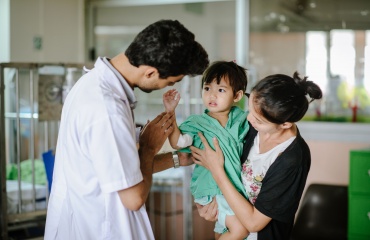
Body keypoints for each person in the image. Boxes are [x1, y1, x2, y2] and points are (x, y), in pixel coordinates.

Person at [44, 19, 209, 240]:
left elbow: (126, 171)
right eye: (170, 82)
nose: (170, 87)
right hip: (97, 229)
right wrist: (149, 147)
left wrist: (178, 159)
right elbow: (133, 198)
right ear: (150, 73)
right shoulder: (107, 110)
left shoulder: (92, 84)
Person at [191, 72, 323, 240]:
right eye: (249, 109)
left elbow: (254, 223)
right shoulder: (251, 127)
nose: (248, 118)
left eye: (258, 120)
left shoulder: (292, 159)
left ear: (285, 124)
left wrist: (216, 171)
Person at [163, 61, 250, 239]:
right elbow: (178, 142)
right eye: (207, 88)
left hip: (232, 188)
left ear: (237, 95)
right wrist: (171, 113)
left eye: (221, 90)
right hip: (211, 189)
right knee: (240, 230)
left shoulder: (241, 119)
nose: (212, 95)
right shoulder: (197, 123)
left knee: (223, 232)